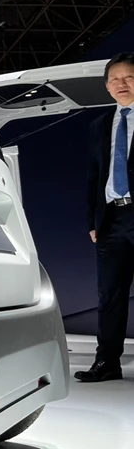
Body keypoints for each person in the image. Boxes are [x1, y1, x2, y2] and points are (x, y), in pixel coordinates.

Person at [78, 52, 134, 383]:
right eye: (114, 79)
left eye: (128, 77)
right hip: (112, 219)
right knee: (110, 296)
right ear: (107, 86)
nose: (120, 84)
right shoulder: (100, 125)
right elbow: (94, 176)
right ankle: (108, 362)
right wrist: (92, 222)